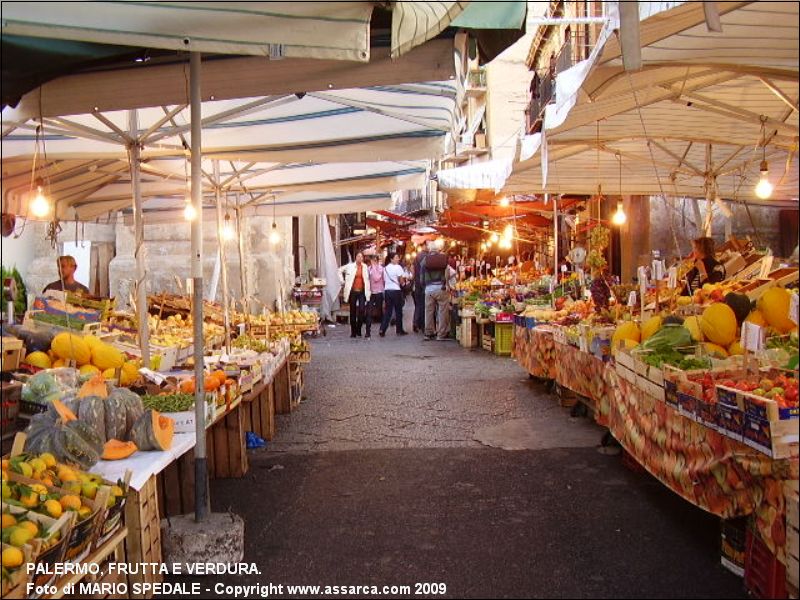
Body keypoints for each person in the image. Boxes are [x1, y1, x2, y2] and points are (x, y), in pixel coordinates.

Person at [421, 242, 451, 341]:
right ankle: (441, 334)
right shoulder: (443, 258)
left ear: (429, 249)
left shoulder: (425, 260)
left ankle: (429, 333)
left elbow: (421, 275)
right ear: (438, 249)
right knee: (442, 311)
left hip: (429, 289)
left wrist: (424, 286)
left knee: (429, 311)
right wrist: (446, 284)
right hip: (441, 288)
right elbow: (447, 273)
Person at [338, 252, 371, 338]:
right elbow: (339, 270)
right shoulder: (350, 266)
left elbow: (367, 279)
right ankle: (353, 331)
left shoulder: (365, 267)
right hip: (353, 291)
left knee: (361, 310)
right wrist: (342, 281)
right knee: (352, 311)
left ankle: (359, 329)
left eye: (361, 257)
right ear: (355, 257)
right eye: (358, 256)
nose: (360, 258)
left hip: (362, 291)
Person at [380, 253, 410, 337]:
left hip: (387, 290)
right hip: (396, 291)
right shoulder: (398, 267)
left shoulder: (385, 268)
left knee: (388, 311)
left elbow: (384, 280)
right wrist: (404, 285)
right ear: (391, 259)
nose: (398, 259)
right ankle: (399, 330)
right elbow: (401, 280)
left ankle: (382, 329)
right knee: (398, 311)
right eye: (396, 257)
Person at [365, 255, 385, 339]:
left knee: (380, 311)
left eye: (375, 260)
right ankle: (367, 331)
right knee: (369, 312)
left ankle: (382, 329)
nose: (373, 262)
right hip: (371, 292)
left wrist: (374, 267)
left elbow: (376, 278)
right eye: (372, 260)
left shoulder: (381, 269)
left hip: (379, 292)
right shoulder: (368, 269)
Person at [412, 246, 429, 333]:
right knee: (423, 305)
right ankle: (421, 325)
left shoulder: (417, 256)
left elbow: (413, 271)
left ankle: (416, 323)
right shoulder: (425, 256)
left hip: (417, 284)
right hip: (423, 284)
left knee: (418, 305)